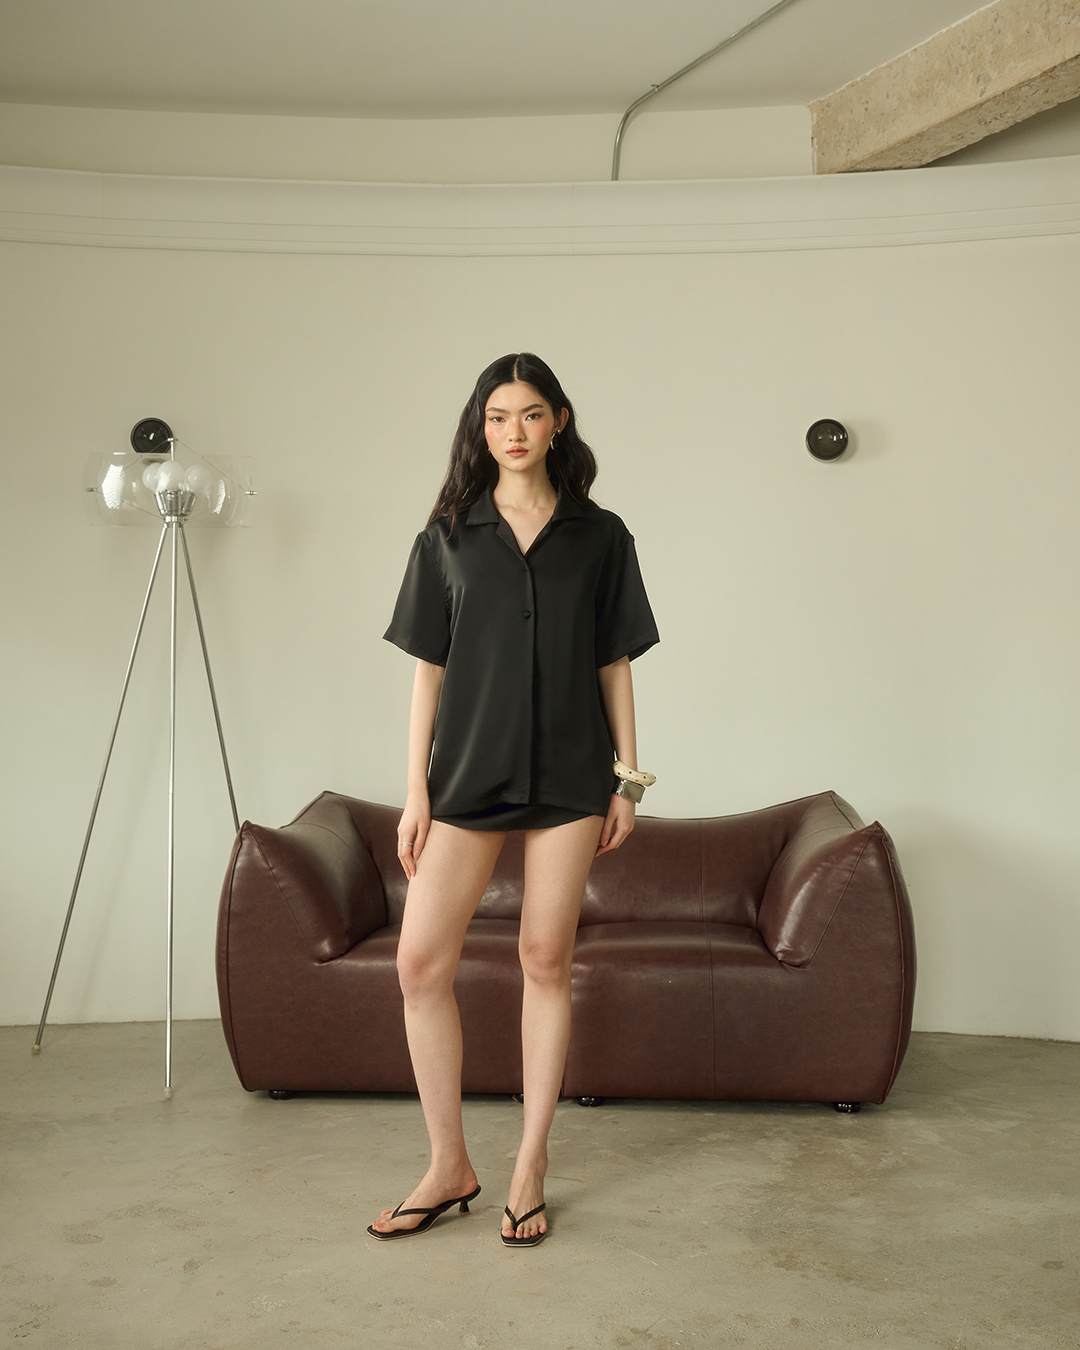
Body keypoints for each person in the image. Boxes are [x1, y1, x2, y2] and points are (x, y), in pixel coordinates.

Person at [368, 352, 658, 1247]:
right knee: (421, 965)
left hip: (572, 776)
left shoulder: (602, 536)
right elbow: (429, 673)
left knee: (543, 958)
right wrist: (415, 793)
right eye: (497, 417)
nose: (514, 432)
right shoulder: (447, 537)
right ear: (480, 429)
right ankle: (448, 1165)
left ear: (558, 421)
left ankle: (531, 1164)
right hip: (467, 775)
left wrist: (628, 779)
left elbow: (614, 662)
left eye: (531, 414)